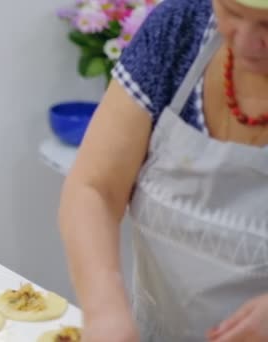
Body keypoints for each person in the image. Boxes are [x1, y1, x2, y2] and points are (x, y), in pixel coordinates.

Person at [59, 0, 268, 341]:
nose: (245, 41)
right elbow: (94, 188)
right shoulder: (181, 28)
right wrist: (105, 313)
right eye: (232, 12)